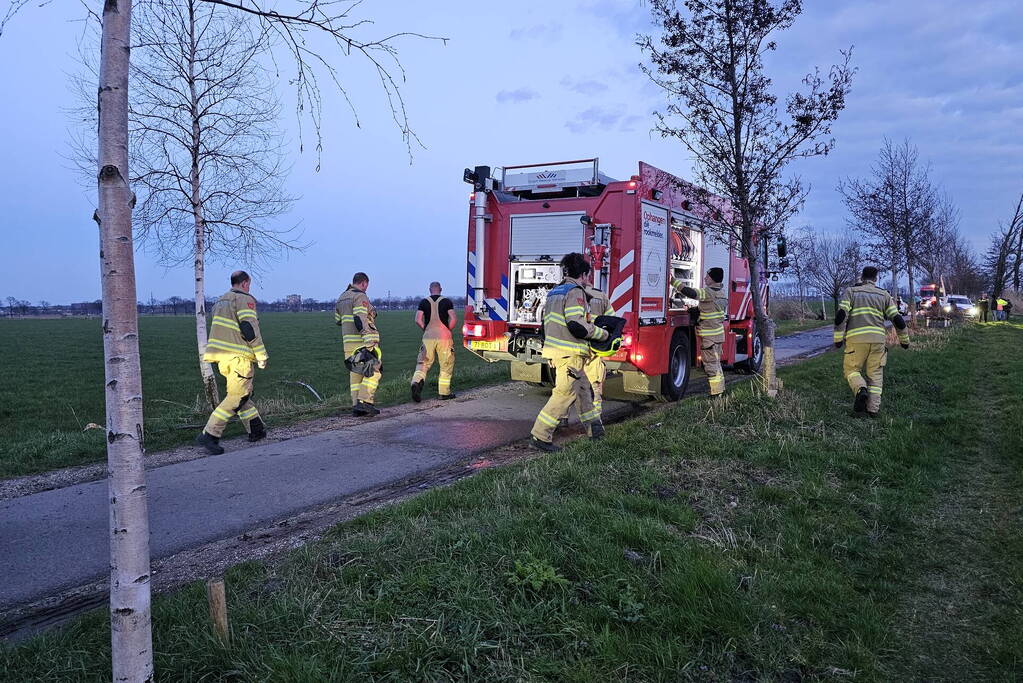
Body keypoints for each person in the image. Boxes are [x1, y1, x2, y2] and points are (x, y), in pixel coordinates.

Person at [530, 253, 614, 452]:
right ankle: (540, 435)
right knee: (564, 394)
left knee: (584, 390)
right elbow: (577, 324)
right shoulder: (576, 291)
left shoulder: (555, 292)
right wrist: (602, 334)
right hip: (569, 352)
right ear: (584, 275)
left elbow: (545, 323)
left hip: (557, 350)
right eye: (587, 276)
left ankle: (595, 430)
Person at [196, 270, 268, 454]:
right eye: (249, 284)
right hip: (239, 356)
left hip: (223, 358)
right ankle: (210, 434)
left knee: (242, 394)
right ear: (245, 283)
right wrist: (261, 355)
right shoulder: (244, 299)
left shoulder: (221, 301)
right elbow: (248, 327)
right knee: (237, 397)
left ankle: (256, 428)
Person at [834, 266, 910, 418]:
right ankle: (873, 410)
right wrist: (904, 340)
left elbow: (841, 315)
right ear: (876, 278)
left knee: (851, 370)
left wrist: (837, 339)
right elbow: (898, 320)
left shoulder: (852, 292)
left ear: (862, 277)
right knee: (875, 375)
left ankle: (861, 389)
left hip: (856, 341)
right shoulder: (884, 295)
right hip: (878, 341)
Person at [672, 267, 727, 397]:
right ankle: (720, 391)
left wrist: (673, 281)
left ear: (713, 279)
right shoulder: (721, 293)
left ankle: (716, 394)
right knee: (716, 364)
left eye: (707, 277)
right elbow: (710, 309)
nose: (704, 278)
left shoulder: (708, 292)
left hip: (709, 338)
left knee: (711, 366)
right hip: (718, 336)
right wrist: (695, 310)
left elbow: (690, 292)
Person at [335, 272, 382, 416]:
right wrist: (368, 340)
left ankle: (356, 406)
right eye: (366, 285)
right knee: (375, 370)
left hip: (347, 344)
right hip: (361, 343)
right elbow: (359, 318)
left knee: (355, 375)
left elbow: (338, 320)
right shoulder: (360, 296)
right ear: (363, 283)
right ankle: (365, 401)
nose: (366, 288)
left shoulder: (341, 297)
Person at [411, 281, 457, 401]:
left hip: (428, 336)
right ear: (440, 289)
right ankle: (444, 392)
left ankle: (416, 382)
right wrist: (448, 330)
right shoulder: (447, 301)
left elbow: (417, 319)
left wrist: (425, 329)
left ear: (430, 290)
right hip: (444, 337)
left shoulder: (423, 302)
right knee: (446, 364)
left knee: (423, 363)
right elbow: (453, 318)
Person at [583, 277, 616, 422]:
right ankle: (595, 420)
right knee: (595, 386)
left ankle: (563, 418)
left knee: (567, 385)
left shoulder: (570, 294)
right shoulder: (600, 295)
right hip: (594, 348)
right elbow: (612, 320)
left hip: (574, 347)